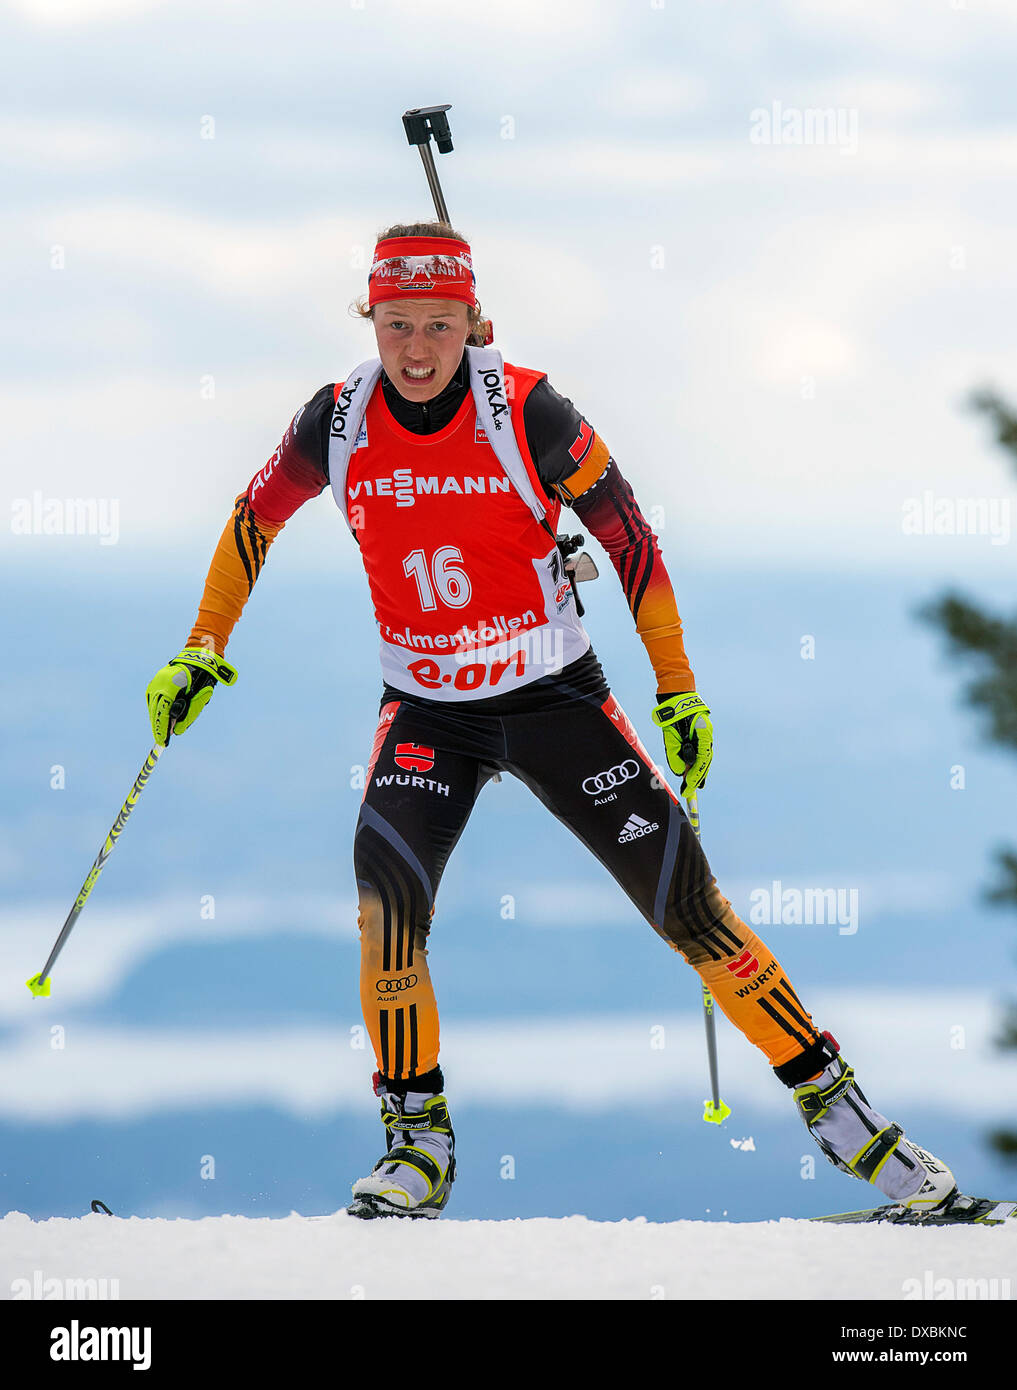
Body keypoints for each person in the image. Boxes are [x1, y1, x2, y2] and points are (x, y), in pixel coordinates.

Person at [146, 221, 958, 1221]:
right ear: (371, 321)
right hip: (429, 709)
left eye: (437, 326)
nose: (413, 349)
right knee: (384, 912)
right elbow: (253, 516)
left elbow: (631, 540)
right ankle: (418, 1144)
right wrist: (203, 644)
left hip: (552, 697)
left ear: (471, 323)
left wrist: (677, 687)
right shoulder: (339, 416)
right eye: (395, 324)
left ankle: (848, 1122)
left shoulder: (528, 409)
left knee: (690, 913)